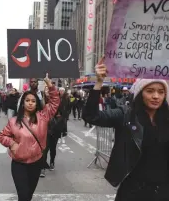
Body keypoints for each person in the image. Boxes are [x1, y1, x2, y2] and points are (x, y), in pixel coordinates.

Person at [82, 60, 169, 201]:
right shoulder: (126, 115)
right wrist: (98, 83)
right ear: (140, 93)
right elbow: (91, 116)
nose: (156, 96)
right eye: (150, 91)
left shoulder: (166, 119)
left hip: (163, 191)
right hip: (133, 191)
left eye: (161, 92)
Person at [0, 74, 60, 201]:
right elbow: (2, 135)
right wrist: (11, 143)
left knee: (28, 196)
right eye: (27, 101)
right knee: (24, 196)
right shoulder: (14, 121)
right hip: (18, 164)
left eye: (33, 101)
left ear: (36, 103)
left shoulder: (43, 117)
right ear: (22, 103)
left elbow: (54, 103)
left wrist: (50, 85)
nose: (30, 103)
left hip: (36, 163)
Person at [40, 86, 68, 177]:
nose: (48, 91)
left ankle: (52, 162)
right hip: (45, 129)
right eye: (46, 90)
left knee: (53, 148)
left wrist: (62, 129)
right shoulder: (41, 102)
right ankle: (42, 168)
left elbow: (63, 115)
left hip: (55, 128)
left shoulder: (58, 102)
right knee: (44, 149)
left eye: (49, 90)